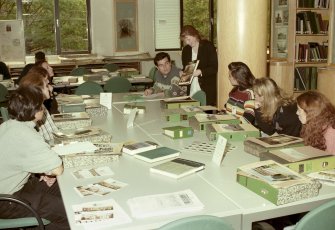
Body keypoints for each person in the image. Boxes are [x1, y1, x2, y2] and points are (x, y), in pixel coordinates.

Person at [0, 85, 69, 230]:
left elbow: (16, 159)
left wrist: (39, 170)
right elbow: (58, 169)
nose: (43, 108)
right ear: (36, 110)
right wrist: (46, 169)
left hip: (16, 187)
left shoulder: (8, 126)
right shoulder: (26, 135)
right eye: (41, 105)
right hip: (8, 201)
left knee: (66, 190)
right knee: (71, 212)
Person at [180, 25, 218, 106]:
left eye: (188, 39)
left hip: (206, 87)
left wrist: (200, 72)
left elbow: (214, 68)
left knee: (206, 114)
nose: (187, 42)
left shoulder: (208, 46)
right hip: (192, 87)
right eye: (185, 40)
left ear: (195, 35)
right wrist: (182, 72)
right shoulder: (186, 50)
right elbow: (186, 68)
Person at [20, 66, 59, 142]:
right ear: (37, 88)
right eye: (46, 85)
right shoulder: (34, 108)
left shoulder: (40, 104)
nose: (50, 88)